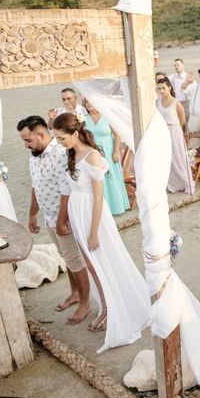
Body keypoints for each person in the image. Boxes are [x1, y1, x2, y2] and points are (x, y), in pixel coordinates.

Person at [52, 113, 150, 353]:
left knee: (101, 264)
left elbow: (98, 197)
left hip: (92, 216)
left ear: (75, 134)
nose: (59, 142)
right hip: (77, 212)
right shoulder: (71, 154)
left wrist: (94, 232)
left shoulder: (92, 156)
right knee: (91, 265)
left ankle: (112, 310)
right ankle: (106, 307)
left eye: (61, 138)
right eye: (56, 138)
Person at [17, 115, 90, 325]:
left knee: (74, 259)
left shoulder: (59, 153)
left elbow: (66, 190)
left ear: (41, 134)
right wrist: (32, 214)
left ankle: (85, 302)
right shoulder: (34, 155)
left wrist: (61, 221)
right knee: (64, 257)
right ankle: (74, 292)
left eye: (28, 140)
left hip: (64, 217)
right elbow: (35, 186)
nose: (25, 145)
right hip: (49, 217)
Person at [82, 99, 130, 215]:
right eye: (86, 102)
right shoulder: (84, 119)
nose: (89, 104)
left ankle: (117, 206)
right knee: (99, 178)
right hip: (94, 154)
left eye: (90, 101)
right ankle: (103, 208)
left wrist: (115, 152)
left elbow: (117, 135)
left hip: (108, 152)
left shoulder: (107, 116)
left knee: (111, 177)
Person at [156, 77, 195, 194]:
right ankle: (173, 184)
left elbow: (183, 122)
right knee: (167, 159)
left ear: (169, 88)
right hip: (163, 132)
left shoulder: (176, 103)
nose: (161, 90)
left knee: (179, 158)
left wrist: (185, 138)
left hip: (175, 132)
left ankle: (187, 183)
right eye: (159, 88)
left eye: (163, 88)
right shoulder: (157, 103)